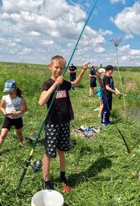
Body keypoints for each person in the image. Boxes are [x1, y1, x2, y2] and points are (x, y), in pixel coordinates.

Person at [38, 55, 89, 192]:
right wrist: (55, 83)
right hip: (52, 123)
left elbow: (74, 84)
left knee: (61, 151)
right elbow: (41, 102)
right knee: (49, 152)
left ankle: (62, 176)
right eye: (56, 67)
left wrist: (83, 71)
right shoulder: (48, 83)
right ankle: (46, 180)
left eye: (61, 68)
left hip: (64, 121)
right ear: (50, 67)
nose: (58, 70)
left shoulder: (64, 82)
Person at [0, 79, 28, 148]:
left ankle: (21, 143)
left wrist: (17, 113)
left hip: (18, 119)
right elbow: (1, 107)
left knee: (19, 133)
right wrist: (4, 112)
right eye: (7, 91)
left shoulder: (20, 97)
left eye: (10, 91)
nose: (9, 92)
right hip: (8, 119)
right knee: (3, 135)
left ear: (15, 89)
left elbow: (25, 109)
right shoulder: (5, 97)